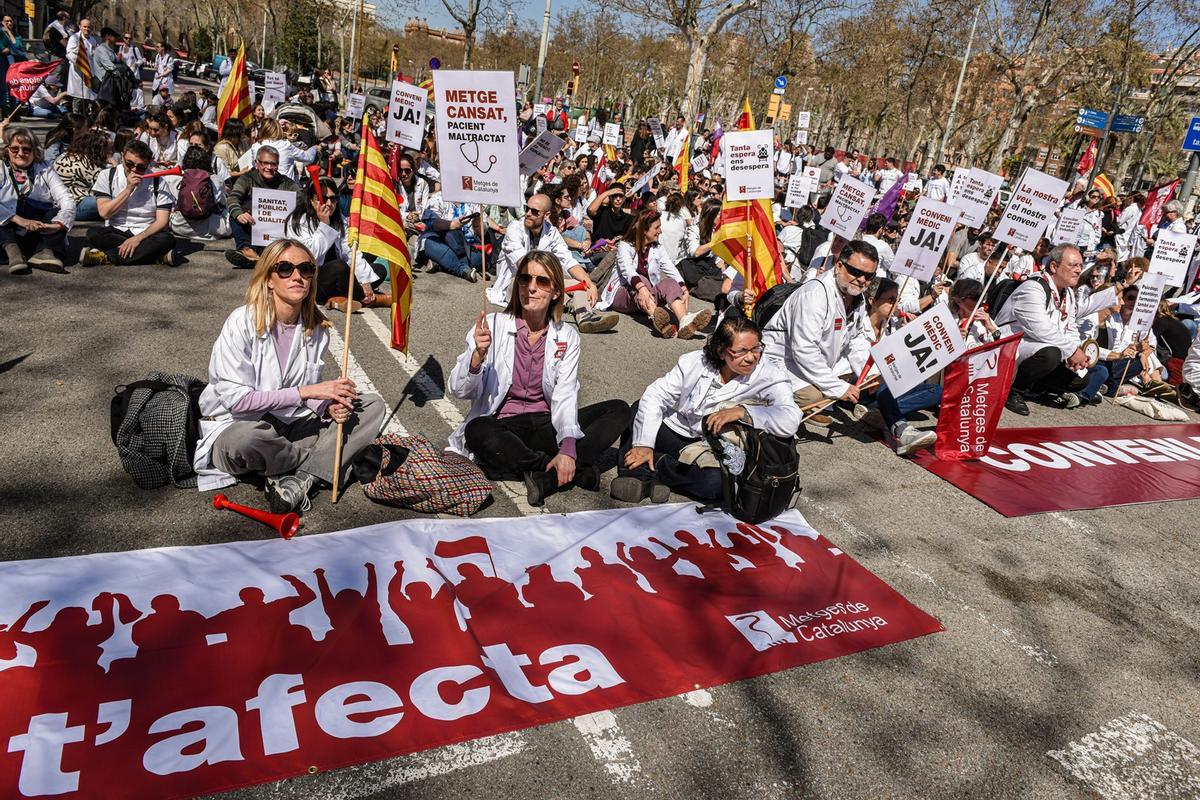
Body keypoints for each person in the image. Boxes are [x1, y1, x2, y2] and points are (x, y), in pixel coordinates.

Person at [193, 238, 385, 511]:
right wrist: (309, 393)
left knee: (371, 405)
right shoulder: (242, 321)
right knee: (245, 440)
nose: (297, 276)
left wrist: (328, 407)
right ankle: (321, 463)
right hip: (239, 425)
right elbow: (238, 402)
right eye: (285, 268)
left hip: (288, 426)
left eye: (306, 269)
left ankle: (301, 476)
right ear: (269, 279)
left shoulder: (316, 329)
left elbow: (306, 392)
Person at [448, 251, 631, 506]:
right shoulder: (492, 325)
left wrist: (567, 447)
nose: (531, 288)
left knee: (619, 410)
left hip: (546, 425)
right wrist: (476, 357)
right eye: (525, 279)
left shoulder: (566, 335)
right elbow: (457, 390)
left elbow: (566, 393)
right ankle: (554, 468)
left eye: (542, 282)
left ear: (556, 291)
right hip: (504, 426)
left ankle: (542, 471)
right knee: (476, 430)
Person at [612, 314, 800, 504]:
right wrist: (644, 444)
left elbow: (791, 417)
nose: (751, 357)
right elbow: (655, 395)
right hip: (682, 430)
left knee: (716, 484)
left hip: (714, 447)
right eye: (741, 351)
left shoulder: (770, 374)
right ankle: (639, 473)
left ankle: (653, 468)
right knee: (637, 409)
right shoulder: (695, 361)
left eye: (756, 348)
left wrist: (745, 412)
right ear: (721, 352)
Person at [993, 244, 1137, 414]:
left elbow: (1070, 326)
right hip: (1014, 344)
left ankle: (1035, 387)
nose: (1078, 270)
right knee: (1050, 354)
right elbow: (1041, 329)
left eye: (1080, 266)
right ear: (1054, 266)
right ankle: (1014, 390)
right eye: (1073, 265)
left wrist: (1077, 354)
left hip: (1041, 346)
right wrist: (1071, 351)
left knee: (1081, 379)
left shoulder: (1066, 293)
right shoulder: (1034, 287)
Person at [762, 240, 877, 422]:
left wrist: (870, 374)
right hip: (783, 362)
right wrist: (837, 387)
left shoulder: (857, 298)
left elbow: (856, 340)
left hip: (816, 364)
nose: (862, 280)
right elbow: (804, 350)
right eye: (856, 272)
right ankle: (764, 401)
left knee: (845, 389)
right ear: (839, 266)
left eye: (869, 276)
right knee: (817, 396)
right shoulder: (815, 294)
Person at [489, 193, 618, 333]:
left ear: (546, 215)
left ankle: (585, 316)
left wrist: (588, 282)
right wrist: (552, 283)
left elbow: (568, 260)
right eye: (527, 208)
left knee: (579, 285)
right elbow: (523, 264)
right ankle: (567, 303)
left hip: (544, 281)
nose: (527, 214)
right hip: (517, 282)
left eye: (534, 211)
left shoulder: (552, 233)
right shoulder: (514, 228)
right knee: (541, 289)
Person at [597, 209, 712, 339]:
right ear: (644, 230)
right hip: (621, 294)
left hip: (647, 294)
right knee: (642, 279)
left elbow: (670, 268)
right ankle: (656, 318)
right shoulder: (625, 245)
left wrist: (683, 288)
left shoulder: (657, 247)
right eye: (657, 227)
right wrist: (641, 288)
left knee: (670, 283)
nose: (660, 231)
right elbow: (627, 270)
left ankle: (684, 321)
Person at [282, 177, 388, 311]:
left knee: (378, 270)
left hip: (338, 277)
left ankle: (337, 300)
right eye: (323, 198)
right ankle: (374, 299)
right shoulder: (298, 221)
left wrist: (364, 280)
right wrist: (324, 225)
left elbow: (349, 252)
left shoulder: (339, 219)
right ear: (311, 199)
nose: (329, 203)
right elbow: (309, 256)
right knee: (339, 267)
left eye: (333, 199)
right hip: (309, 278)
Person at [80, 139, 178, 267]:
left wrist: (138, 238)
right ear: (122, 156)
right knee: (93, 233)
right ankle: (154, 256)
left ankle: (106, 257)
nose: (134, 170)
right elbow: (104, 213)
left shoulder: (158, 181)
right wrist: (128, 188)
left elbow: (162, 221)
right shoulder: (107, 175)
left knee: (167, 239)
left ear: (148, 164)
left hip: (146, 233)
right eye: (129, 163)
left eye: (141, 167)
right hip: (116, 230)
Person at [0, 126, 74, 274]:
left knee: (57, 211)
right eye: (15, 149)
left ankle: (45, 252)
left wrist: (59, 224)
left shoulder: (45, 167)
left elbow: (65, 197)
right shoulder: (1, 167)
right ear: (7, 150)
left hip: (38, 228)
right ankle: (13, 251)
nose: (20, 154)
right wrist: (18, 219)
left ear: (34, 151)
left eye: (26, 149)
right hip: (7, 229)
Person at [224, 145, 300, 268]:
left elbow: (301, 201)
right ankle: (247, 250)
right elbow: (233, 198)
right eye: (265, 163)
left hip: (279, 235)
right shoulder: (246, 179)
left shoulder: (287, 183)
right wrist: (239, 214)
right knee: (234, 215)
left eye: (273, 164)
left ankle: (263, 258)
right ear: (257, 163)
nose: (269, 167)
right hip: (252, 230)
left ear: (278, 164)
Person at [53, 129, 110, 223]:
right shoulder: (87, 163)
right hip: (73, 206)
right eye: (108, 148)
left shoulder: (67, 154)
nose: (110, 150)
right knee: (109, 201)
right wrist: (113, 162)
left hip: (60, 203)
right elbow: (108, 186)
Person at [250, 118, 317, 181]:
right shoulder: (286, 145)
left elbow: (255, 165)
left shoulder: (255, 146)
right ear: (277, 129)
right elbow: (308, 157)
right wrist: (315, 148)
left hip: (262, 188)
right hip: (285, 187)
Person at [64, 19, 97, 115]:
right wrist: (81, 64)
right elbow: (69, 54)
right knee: (78, 96)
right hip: (78, 71)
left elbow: (93, 54)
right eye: (85, 26)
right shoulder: (74, 38)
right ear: (80, 27)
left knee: (87, 97)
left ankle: (85, 118)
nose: (87, 29)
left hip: (89, 71)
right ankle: (75, 117)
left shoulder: (92, 39)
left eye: (89, 27)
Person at [0, 14, 26, 113]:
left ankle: (13, 110)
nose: (9, 23)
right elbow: (2, 49)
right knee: (3, 88)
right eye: (6, 21)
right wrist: (13, 50)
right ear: (2, 22)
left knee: (14, 88)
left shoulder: (16, 35)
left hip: (16, 66)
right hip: (3, 64)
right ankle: (4, 111)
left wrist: (9, 33)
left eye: (11, 21)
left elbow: (17, 44)